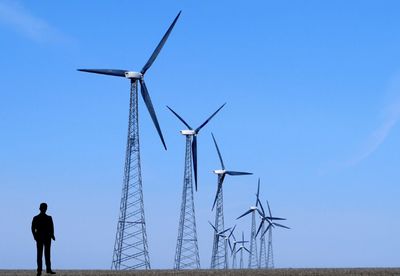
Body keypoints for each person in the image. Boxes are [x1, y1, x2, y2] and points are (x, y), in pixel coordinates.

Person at [31, 203, 56, 275]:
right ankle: (39, 270)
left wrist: (52, 235)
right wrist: (35, 236)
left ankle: (48, 269)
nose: (44, 209)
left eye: (45, 208)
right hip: (39, 238)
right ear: (40, 208)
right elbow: (32, 228)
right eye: (43, 208)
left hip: (47, 237)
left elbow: (52, 227)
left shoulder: (49, 218)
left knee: (47, 254)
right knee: (40, 254)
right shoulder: (36, 218)